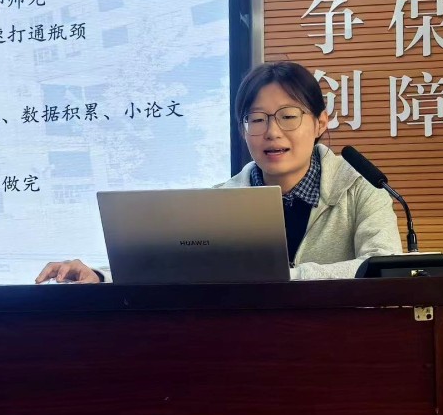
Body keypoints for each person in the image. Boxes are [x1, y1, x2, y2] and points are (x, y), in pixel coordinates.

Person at [35, 61, 402, 284]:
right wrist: (99, 276)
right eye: (256, 119)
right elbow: (168, 269)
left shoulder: (362, 190)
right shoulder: (220, 201)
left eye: (288, 116)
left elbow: (384, 270)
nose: (272, 132)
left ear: (321, 122)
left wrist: (285, 279)